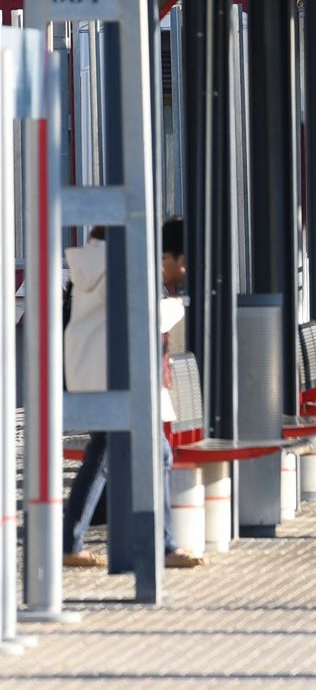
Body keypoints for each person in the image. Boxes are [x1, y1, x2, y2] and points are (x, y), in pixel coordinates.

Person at [63, 220, 205, 569]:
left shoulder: (92, 266)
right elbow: (144, 316)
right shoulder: (120, 266)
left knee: (104, 457)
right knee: (156, 455)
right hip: (118, 379)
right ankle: (163, 546)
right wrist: (177, 306)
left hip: (98, 374)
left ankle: (70, 541)